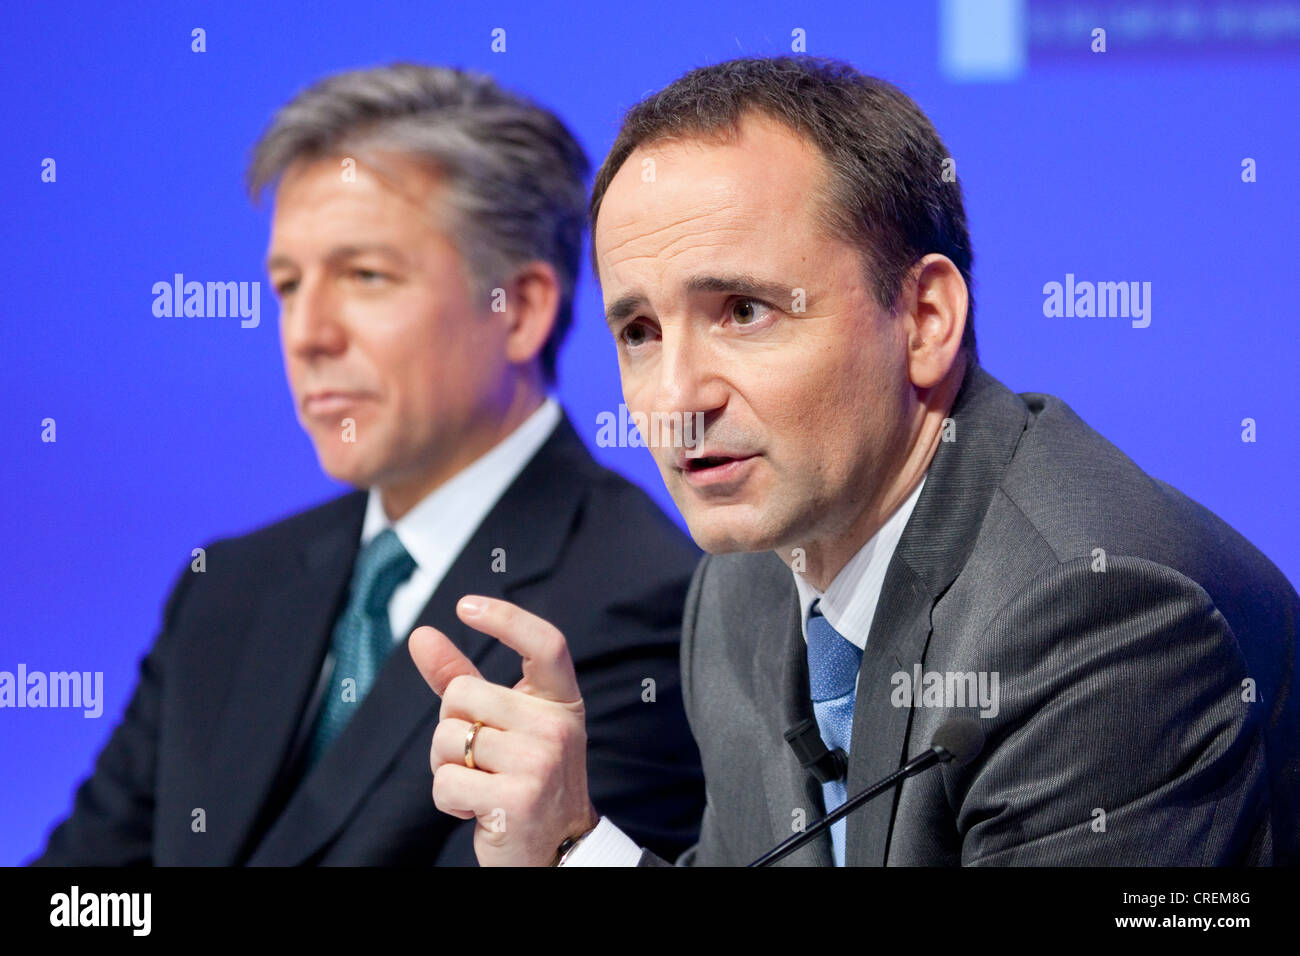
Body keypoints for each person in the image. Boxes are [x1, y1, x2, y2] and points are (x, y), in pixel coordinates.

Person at [409, 55, 1299, 866]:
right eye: (638, 331)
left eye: (744, 310)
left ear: (925, 321)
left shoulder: (1097, 613)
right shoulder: (744, 588)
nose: (676, 397)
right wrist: (567, 847)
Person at [31, 63, 705, 866]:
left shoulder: (642, 605)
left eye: (364, 276)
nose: (306, 333)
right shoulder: (228, 585)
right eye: (287, 285)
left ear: (519, 309)